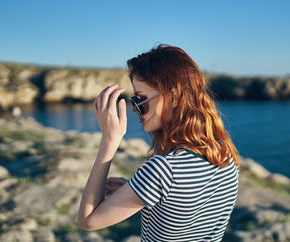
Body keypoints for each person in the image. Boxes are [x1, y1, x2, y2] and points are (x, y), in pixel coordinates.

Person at [77, 44, 240, 241]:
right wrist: (137, 190)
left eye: (140, 100)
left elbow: (88, 221)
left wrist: (110, 140)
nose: (136, 109)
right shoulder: (225, 154)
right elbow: (186, 208)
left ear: (171, 96)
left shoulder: (162, 170)